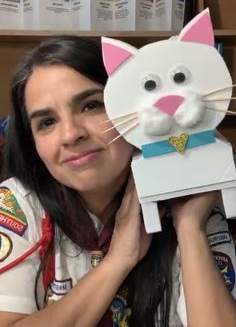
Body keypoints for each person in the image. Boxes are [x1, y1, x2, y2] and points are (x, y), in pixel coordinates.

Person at [0, 36, 235, 327]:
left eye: (91, 105)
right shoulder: (18, 206)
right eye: (47, 122)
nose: (71, 134)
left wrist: (189, 228)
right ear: (31, 142)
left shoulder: (189, 201)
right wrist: (118, 260)